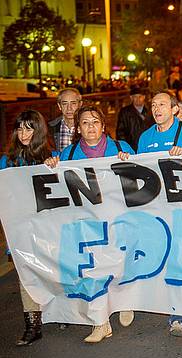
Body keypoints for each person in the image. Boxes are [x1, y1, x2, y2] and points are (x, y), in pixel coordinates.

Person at [45, 106, 135, 343]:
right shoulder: (68, 154)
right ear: (78, 128)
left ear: (104, 126)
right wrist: (51, 166)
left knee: (117, 265)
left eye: (95, 122)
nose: (91, 127)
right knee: (92, 271)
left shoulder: (121, 149)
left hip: (116, 221)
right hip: (85, 225)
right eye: (85, 123)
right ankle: (100, 323)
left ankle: (125, 302)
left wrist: (130, 162)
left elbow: (137, 181)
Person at [137, 92, 182, 337]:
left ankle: (178, 315)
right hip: (158, 208)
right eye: (153, 105)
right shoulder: (145, 138)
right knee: (164, 258)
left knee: (180, 258)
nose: (156, 108)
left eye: (162, 104)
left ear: (175, 109)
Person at [1, 110, 56, 346]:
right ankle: (33, 324)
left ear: (38, 131)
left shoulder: (51, 156)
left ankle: (60, 312)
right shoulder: (7, 161)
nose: (23, 133)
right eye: (20, 128)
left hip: (46, 228)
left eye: (29, 128)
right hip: (21, 227)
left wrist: (53, 167)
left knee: (51, 271)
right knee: (26, 276)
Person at [117, 85, 154, 151]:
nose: (138, 99)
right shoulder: (125, 112)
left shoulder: (151, 110)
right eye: (135, 97)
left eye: (140, 96)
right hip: (131, 146)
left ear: (144, 97)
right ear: (131, 98)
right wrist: (125, 147)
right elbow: (120, 132)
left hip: (149, 145)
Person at [48, 88, 82, 152]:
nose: (69, 108)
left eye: (73, 103)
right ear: (59, 106)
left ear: (80, 105)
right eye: (65, 104)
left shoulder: (88, 126)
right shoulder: (49, 129)